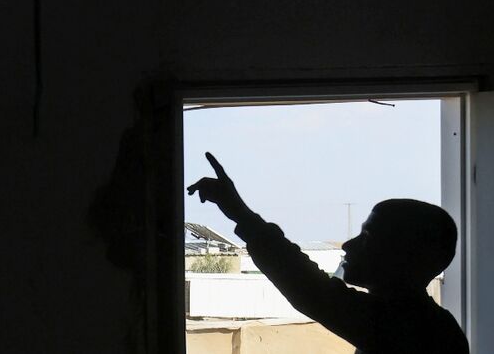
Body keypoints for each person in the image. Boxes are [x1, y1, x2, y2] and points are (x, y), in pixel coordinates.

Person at [187, 152, 469, 354]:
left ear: (405, 258)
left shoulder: (409, 328)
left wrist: (240, 213)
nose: (348, 245)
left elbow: (309, 288)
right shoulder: (430, 326)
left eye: (368, 237)